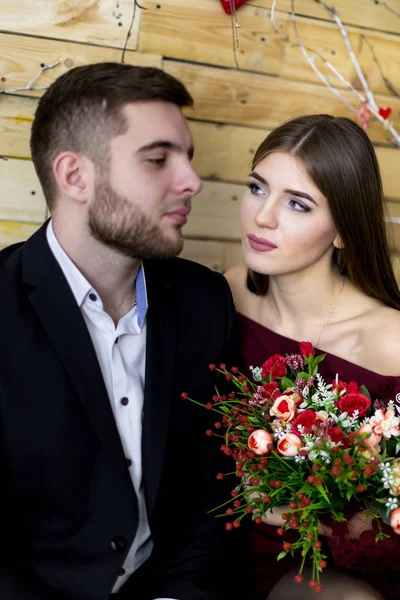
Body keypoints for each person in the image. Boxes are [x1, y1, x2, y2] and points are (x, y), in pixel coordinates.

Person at [0, 62, 249, 599]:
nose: (192, 181)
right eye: (158, 159)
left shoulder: (205, 304)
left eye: (189, 158)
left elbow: (213, 495)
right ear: (75, 176)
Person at [225, 114, 400, 599]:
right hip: (214, 546)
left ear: (343, 230)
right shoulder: (230, 293)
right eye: (257, 188)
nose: (262, 217)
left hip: (329, 568)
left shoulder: (390, 341)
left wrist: (303, 511)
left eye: (298, 204)